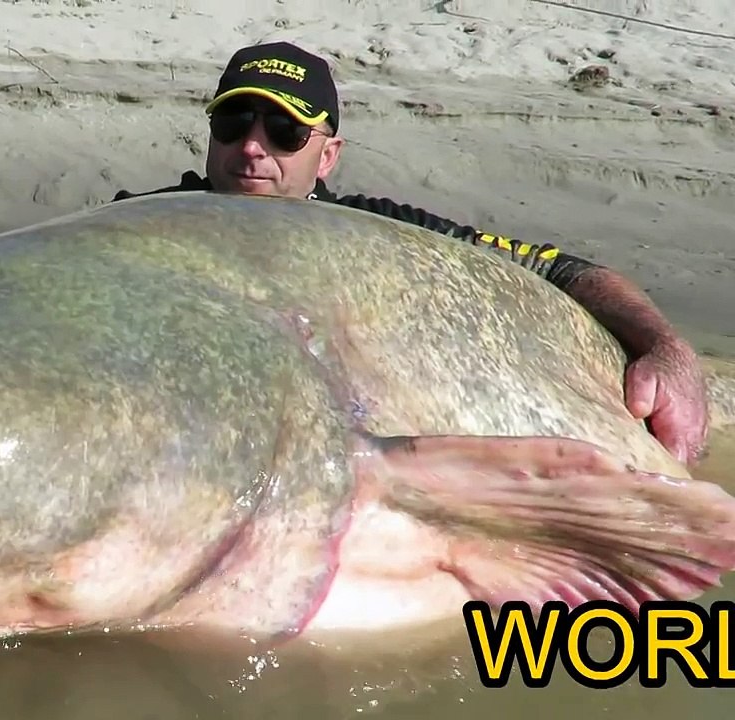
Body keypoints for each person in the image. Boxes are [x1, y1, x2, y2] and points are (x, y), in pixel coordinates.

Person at [112, 41, 710, 465]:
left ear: (327, 156)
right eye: (234, 123)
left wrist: (667, 349)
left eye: (284, 132)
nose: (251, 148)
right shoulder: (128, 224)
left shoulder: (384, 230)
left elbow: (562, 269)